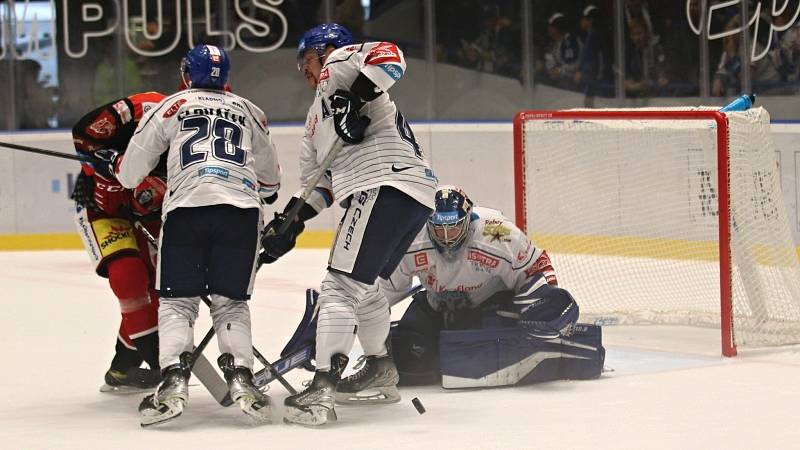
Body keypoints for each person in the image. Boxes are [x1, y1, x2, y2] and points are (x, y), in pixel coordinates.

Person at [261, 23, 437, 426]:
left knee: (338, 287)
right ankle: (379, 369)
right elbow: (320, 184)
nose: (302, 69)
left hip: (384, 184)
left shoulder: (340, 64)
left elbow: (391, 58)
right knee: (365, 286)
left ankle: (322, 391)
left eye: (305, 58)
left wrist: (352, 96)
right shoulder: (313, 118)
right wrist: (291, 222)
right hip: (402, 194)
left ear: (323, 50)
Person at [104, 44, 281, 426]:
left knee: (178, 302)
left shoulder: (170, 106)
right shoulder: (250, 110)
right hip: (240, 211)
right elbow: (270, 182)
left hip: (187, 210)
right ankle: (242, 377)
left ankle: (172, 379)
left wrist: (114, 163)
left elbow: (130, 174)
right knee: (231, 302)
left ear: (186, 74)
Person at [380, 186, 604, 387]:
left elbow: (536, 266)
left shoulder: (498, 233)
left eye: (454, 228)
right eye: (439, 229)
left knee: (465, 360)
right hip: (436, 304)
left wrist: (545, 306)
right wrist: (364, 312)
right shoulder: (411, 237)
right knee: (407, 365)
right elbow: (387, 289)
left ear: (469, 219)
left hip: (489, 305)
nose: (446, 237)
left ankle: (554, 349)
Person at [71, 90, 168, 393]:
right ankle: (159, 363)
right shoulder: (146, 107)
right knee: (128, 276)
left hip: (149, 207)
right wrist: (101, 168)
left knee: (160, 289)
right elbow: (83, 135)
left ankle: (123, 370)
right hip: (103, 207)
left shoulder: (199, 128)